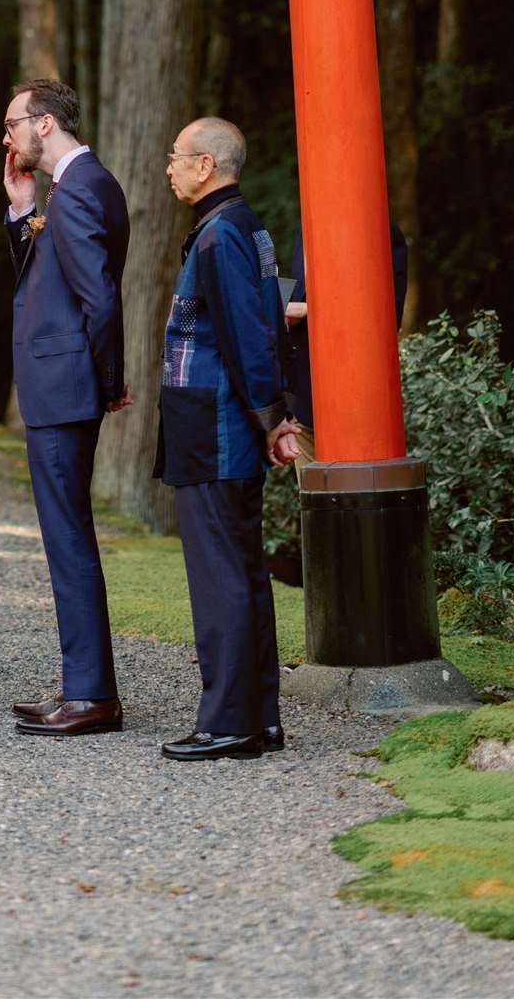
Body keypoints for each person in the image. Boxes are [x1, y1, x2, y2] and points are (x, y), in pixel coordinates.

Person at [156, 117, 300, 763]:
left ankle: (226, 722)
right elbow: (269, 324)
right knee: (244, 573)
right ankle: (257, 716)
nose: (169, 166)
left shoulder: (219, 237)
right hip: (226, 429)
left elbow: (247, 336)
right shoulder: (247, 226)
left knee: (220, 579)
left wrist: (274, 419)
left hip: (214, 429)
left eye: (177, 157)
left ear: (206, 166)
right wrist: (276, 416)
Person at [3, 79, 132, 738]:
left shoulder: (81, 188)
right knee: (69, 536)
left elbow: (99, 300)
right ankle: (85, 684)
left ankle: (91, 695)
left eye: (13, 124)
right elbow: (49, 278)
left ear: (45, 124)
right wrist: (22, 212)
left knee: (70, 539)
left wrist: (109, 382)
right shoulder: (74, 189)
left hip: (66, 388)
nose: (6, 138)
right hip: (68, 383)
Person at [283, 218, 408, 471]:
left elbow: (384, 317)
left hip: (356, 399)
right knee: (311, 504)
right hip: (306, 398)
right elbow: (303, 294)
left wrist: (312, 310)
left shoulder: (379, 228)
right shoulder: (305, 226)